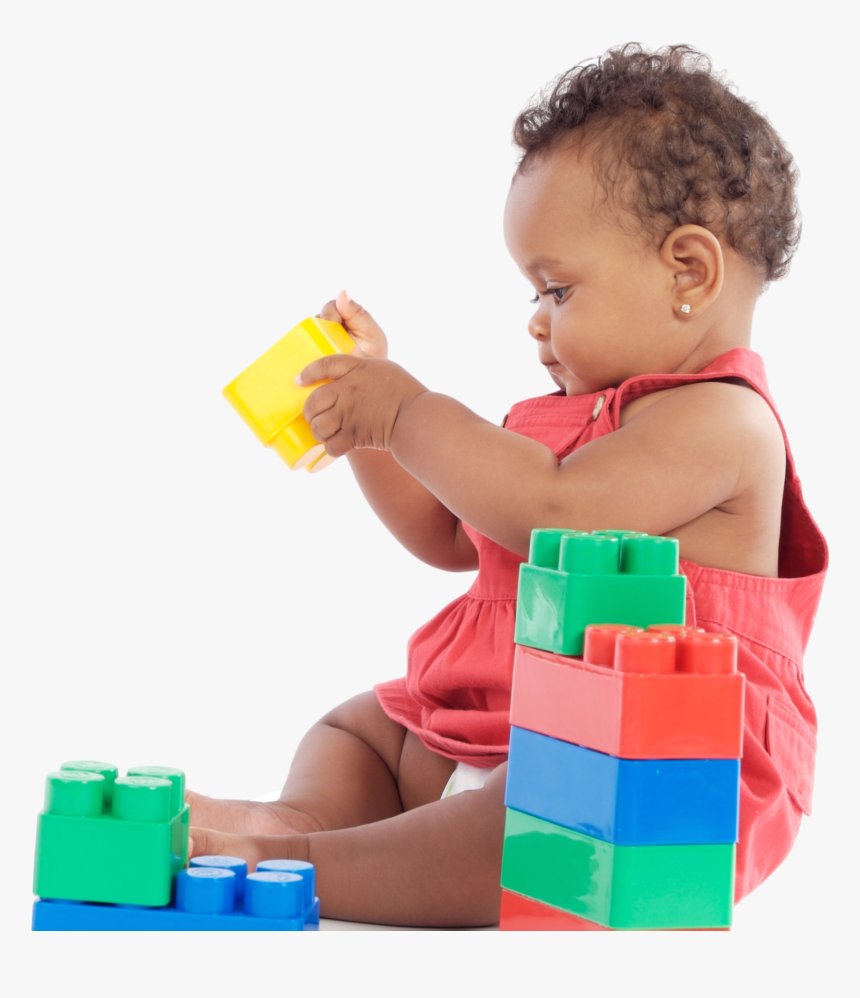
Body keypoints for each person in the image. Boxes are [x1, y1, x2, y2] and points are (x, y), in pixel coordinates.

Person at [187, 43, 827, 927]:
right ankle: (311, 818)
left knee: (544, 821)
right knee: (359, 728)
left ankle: (303, 863)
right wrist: (372, 432)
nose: (536, 320)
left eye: (557, 289)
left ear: (689, 271)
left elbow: (556, 512)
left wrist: (408, 412)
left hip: (653, 773)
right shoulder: (559, 421)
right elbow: (452, 537)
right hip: (496, 719)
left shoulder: (722, 424)